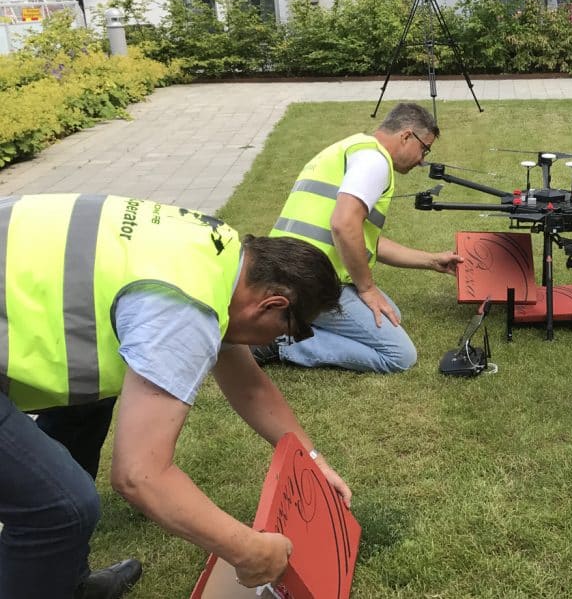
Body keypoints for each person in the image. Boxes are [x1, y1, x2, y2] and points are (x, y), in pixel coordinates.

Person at [0, 193, 351, 597]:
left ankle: (59, 580)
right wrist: (249, 549)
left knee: (88, 406)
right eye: (290, 332)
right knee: (62, 507)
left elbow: (249, 384)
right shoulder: (184, 309)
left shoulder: (217, 251)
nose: (282, 341)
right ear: (272, 305)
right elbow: (140, 475)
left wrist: (312, 459)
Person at [259, 102, 463, 373]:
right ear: (406, 136)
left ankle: (294, 317)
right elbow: (344, 225)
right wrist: (367, 288)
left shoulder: (351, 149)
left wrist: (430, 260)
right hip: (305, 279)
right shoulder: (374, 161)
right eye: (424, 148)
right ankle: (283, 341)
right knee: (400, 355)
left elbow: (362, 239)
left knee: (391, 316)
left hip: (283, 268)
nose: (423, 159)